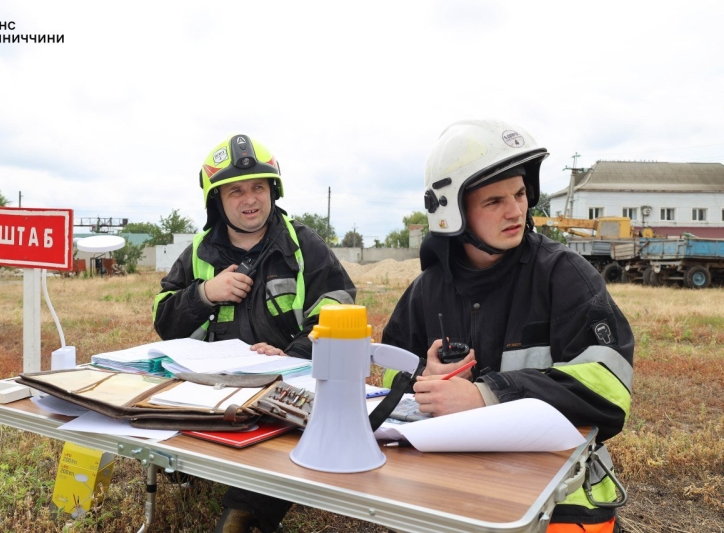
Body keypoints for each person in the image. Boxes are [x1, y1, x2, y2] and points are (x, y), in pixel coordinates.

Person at [381, 120, 633, 532]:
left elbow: (608, 393)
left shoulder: (566, 276)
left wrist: (487, 395)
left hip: (559, 496)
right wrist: (423, 380)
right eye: (494, 201)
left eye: (519, 194)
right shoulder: (426, 290)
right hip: (449, 476)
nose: (516, 211)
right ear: (453, 212)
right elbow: (393, 377)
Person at [153, 133, 356, 532]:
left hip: (287, 386)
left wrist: (294, 355)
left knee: (279, 444)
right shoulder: (198, 252)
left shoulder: (302, 244)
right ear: (217, 201)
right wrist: (204, 294)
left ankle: (245, 516)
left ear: (272, 191)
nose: (250, 199)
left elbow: (339, 305)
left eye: (258, 187)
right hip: (211, 390)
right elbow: (164, 319)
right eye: (236, 192)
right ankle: (198, 469)